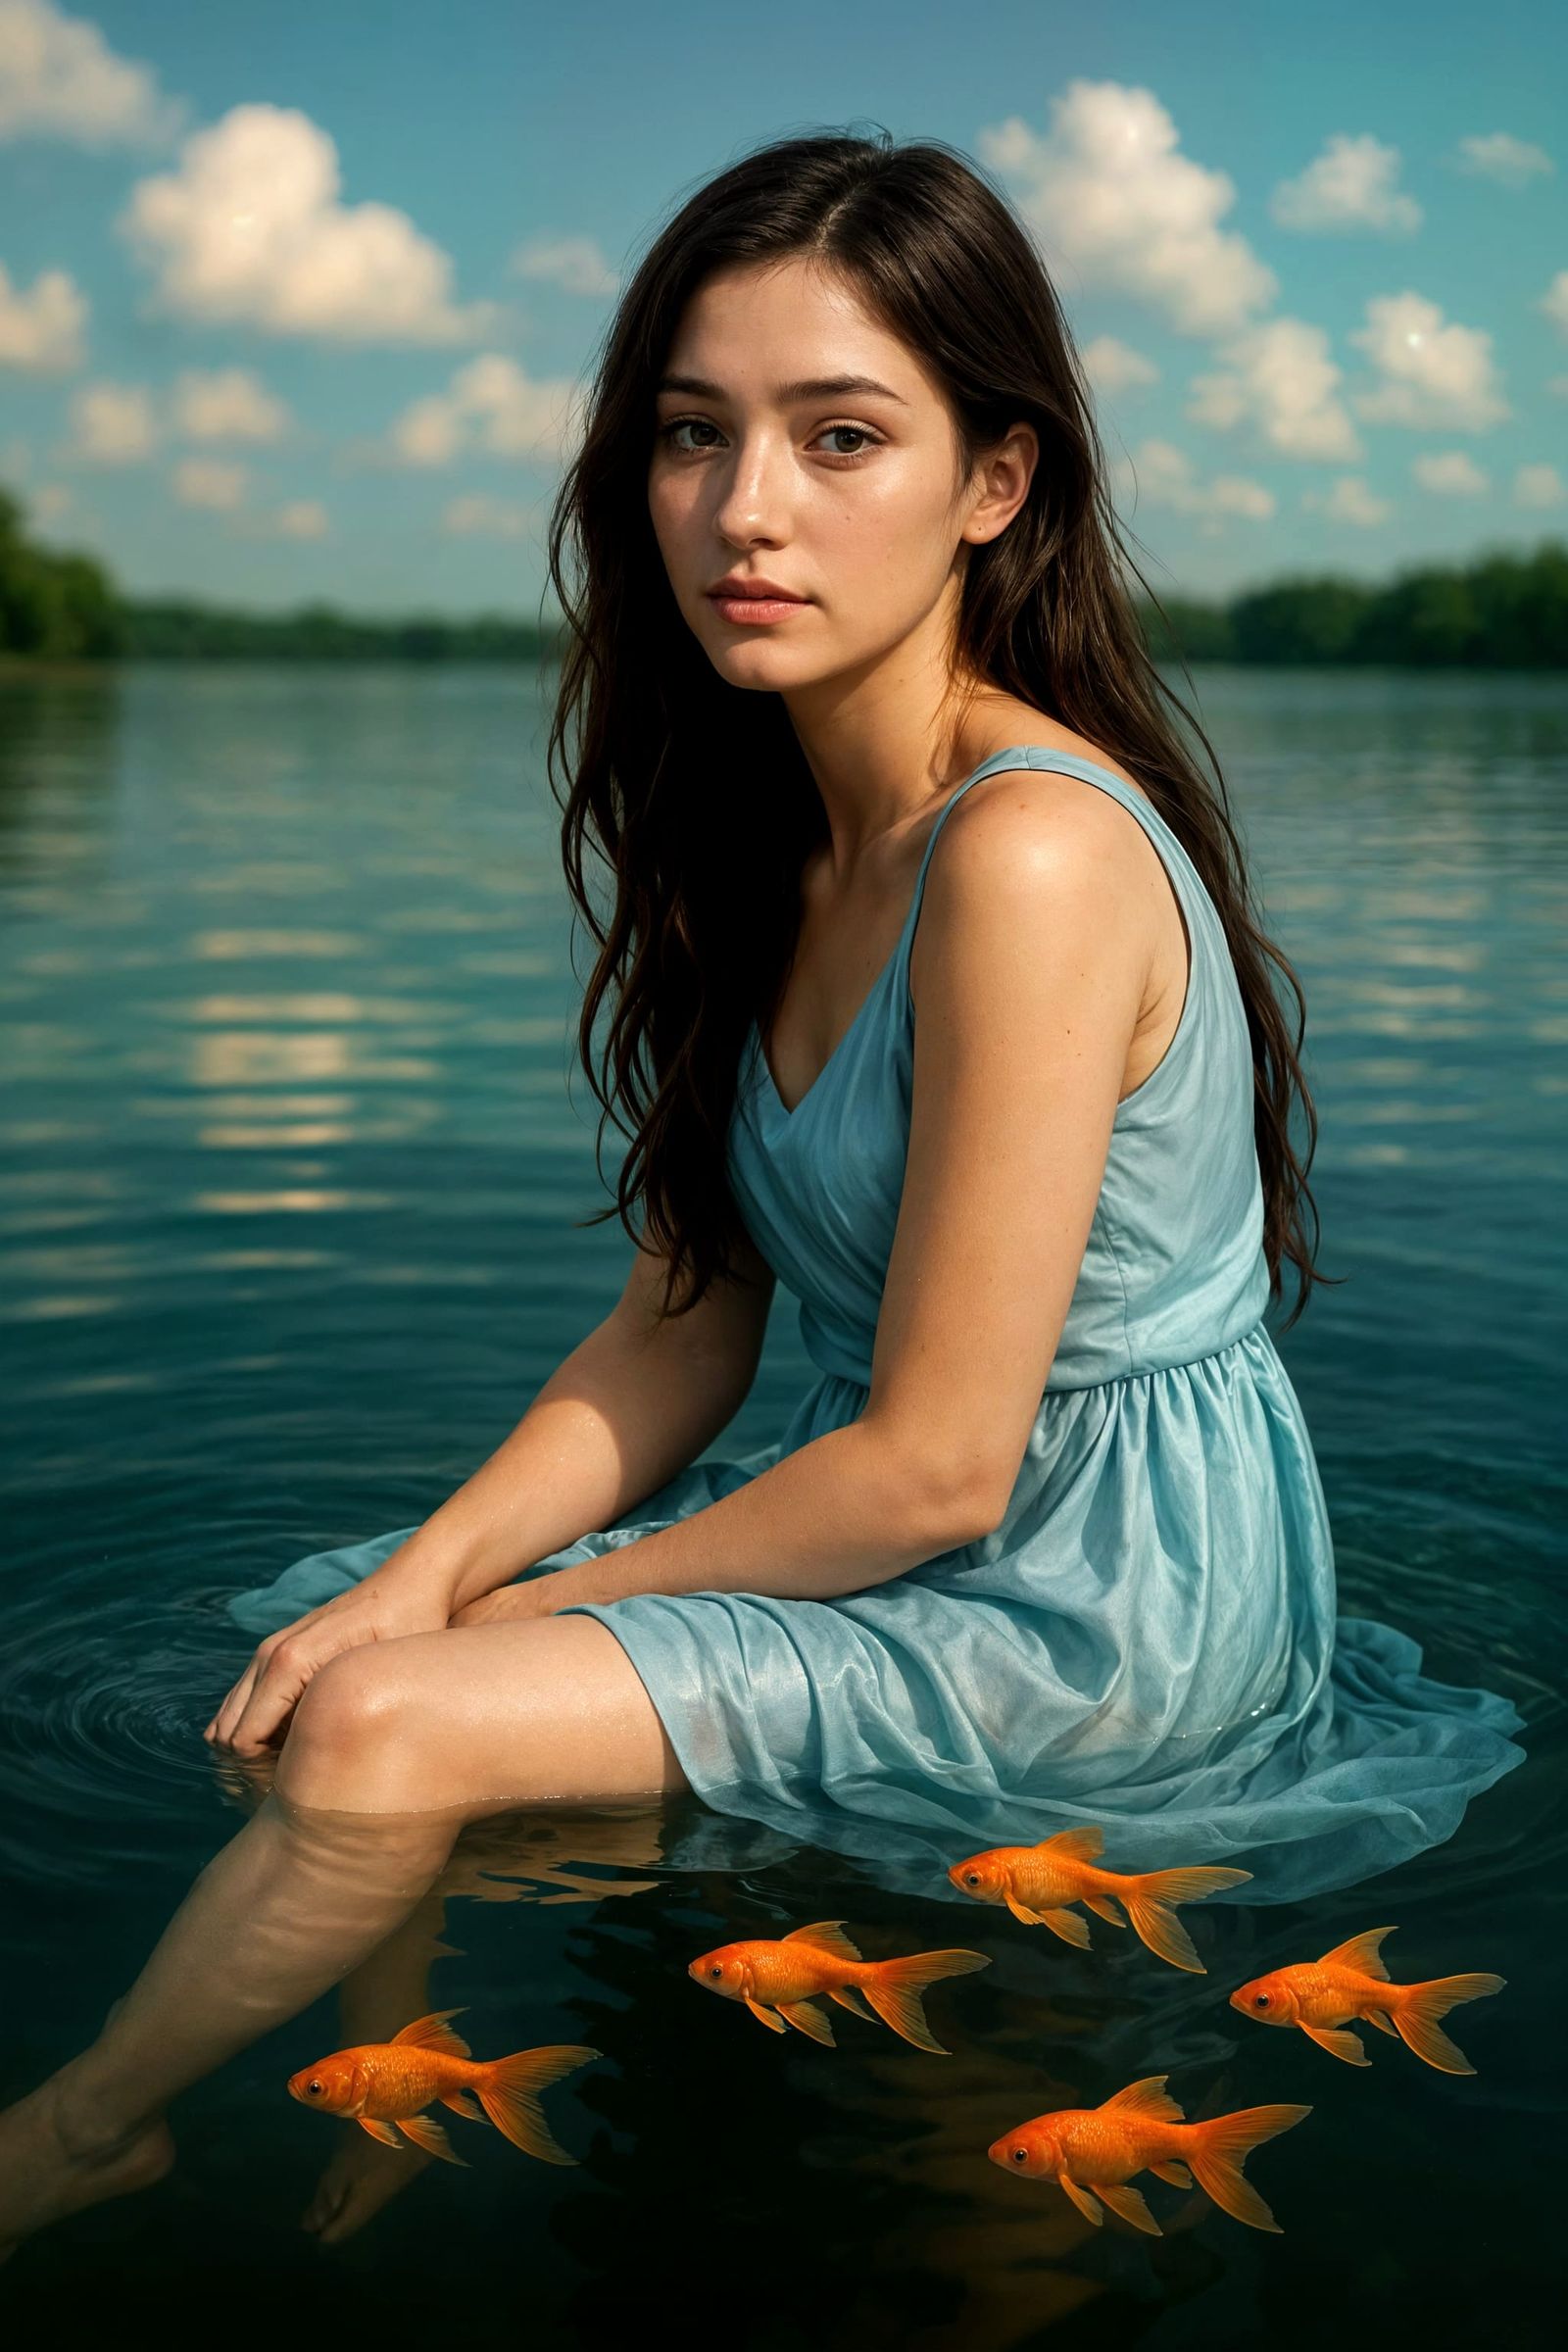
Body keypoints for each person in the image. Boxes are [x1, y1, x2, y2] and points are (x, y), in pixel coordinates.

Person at [0, 127, 1523, 2254]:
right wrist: (420, 1583)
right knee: (327, 1662)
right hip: (905, 1497)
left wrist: (514, 1621)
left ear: (995, 481)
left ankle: (76, 2139)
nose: (745, 510)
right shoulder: (763, 830)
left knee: (386, 1723)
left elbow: (930, 1473)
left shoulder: (1029, 855)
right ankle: (395, 2073)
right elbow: (679, 1323)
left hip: (1087, 1594)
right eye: (693, 436)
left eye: (838, 437)